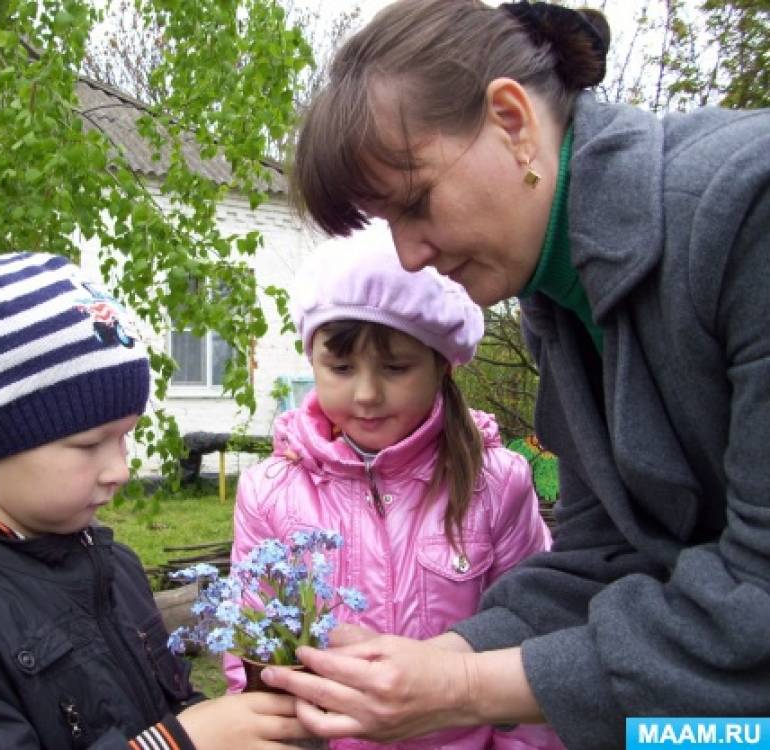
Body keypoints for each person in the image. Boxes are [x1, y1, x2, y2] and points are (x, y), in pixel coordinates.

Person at [258, 0, 770, 748]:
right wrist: (439, 659)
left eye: (416, 203)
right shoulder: (560, 301)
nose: (408, 257)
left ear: (511, 119)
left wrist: (467, 689)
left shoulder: (745, 210)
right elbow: (608, 559)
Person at [0, 252, 311, 750]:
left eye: (126, 437)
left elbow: (161, 706)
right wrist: (178, 744)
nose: (121, 469)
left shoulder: (116, 570)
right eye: (90, 444)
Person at [226, 227, 561, 749]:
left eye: (396, 367)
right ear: (311, 360)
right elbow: (250, 649)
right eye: (339, 367)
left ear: (442, 364)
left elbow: (537, 633)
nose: (366, 393)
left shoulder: (495, 483)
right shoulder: (270, 492)